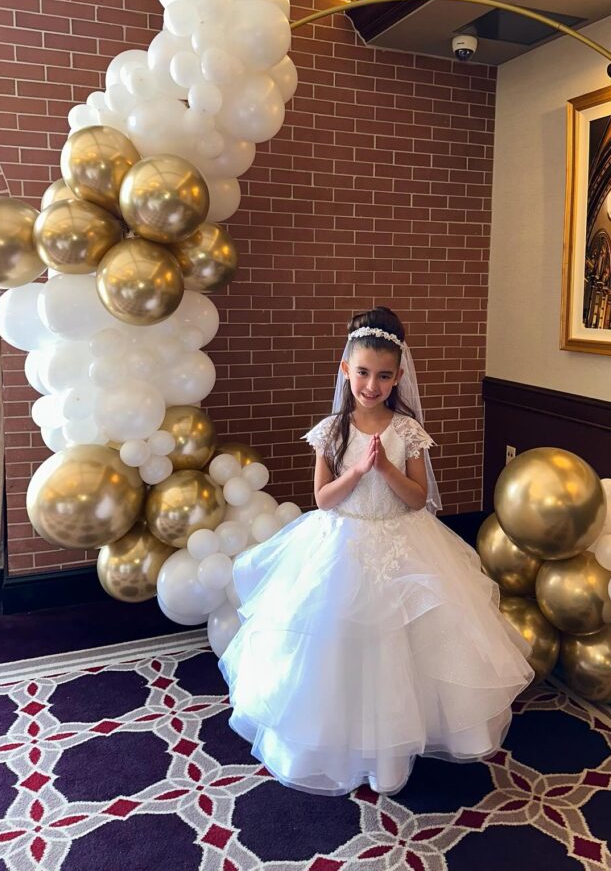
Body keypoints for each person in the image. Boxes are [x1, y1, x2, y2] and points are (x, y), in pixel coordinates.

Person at [220, 307, 533, 796]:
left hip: (402, 541)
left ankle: (400, 744)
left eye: (383, 376)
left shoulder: (406, 431)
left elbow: (417, 499)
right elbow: (322, 499)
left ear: (398, 377)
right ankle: (336, 739)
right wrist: (359, 471)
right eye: (363, 372)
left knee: (405, 644)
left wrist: (387, 468)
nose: (371, 385)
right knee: (337, 641)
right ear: (346, 370)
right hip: (340, 541)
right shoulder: (332, 429)